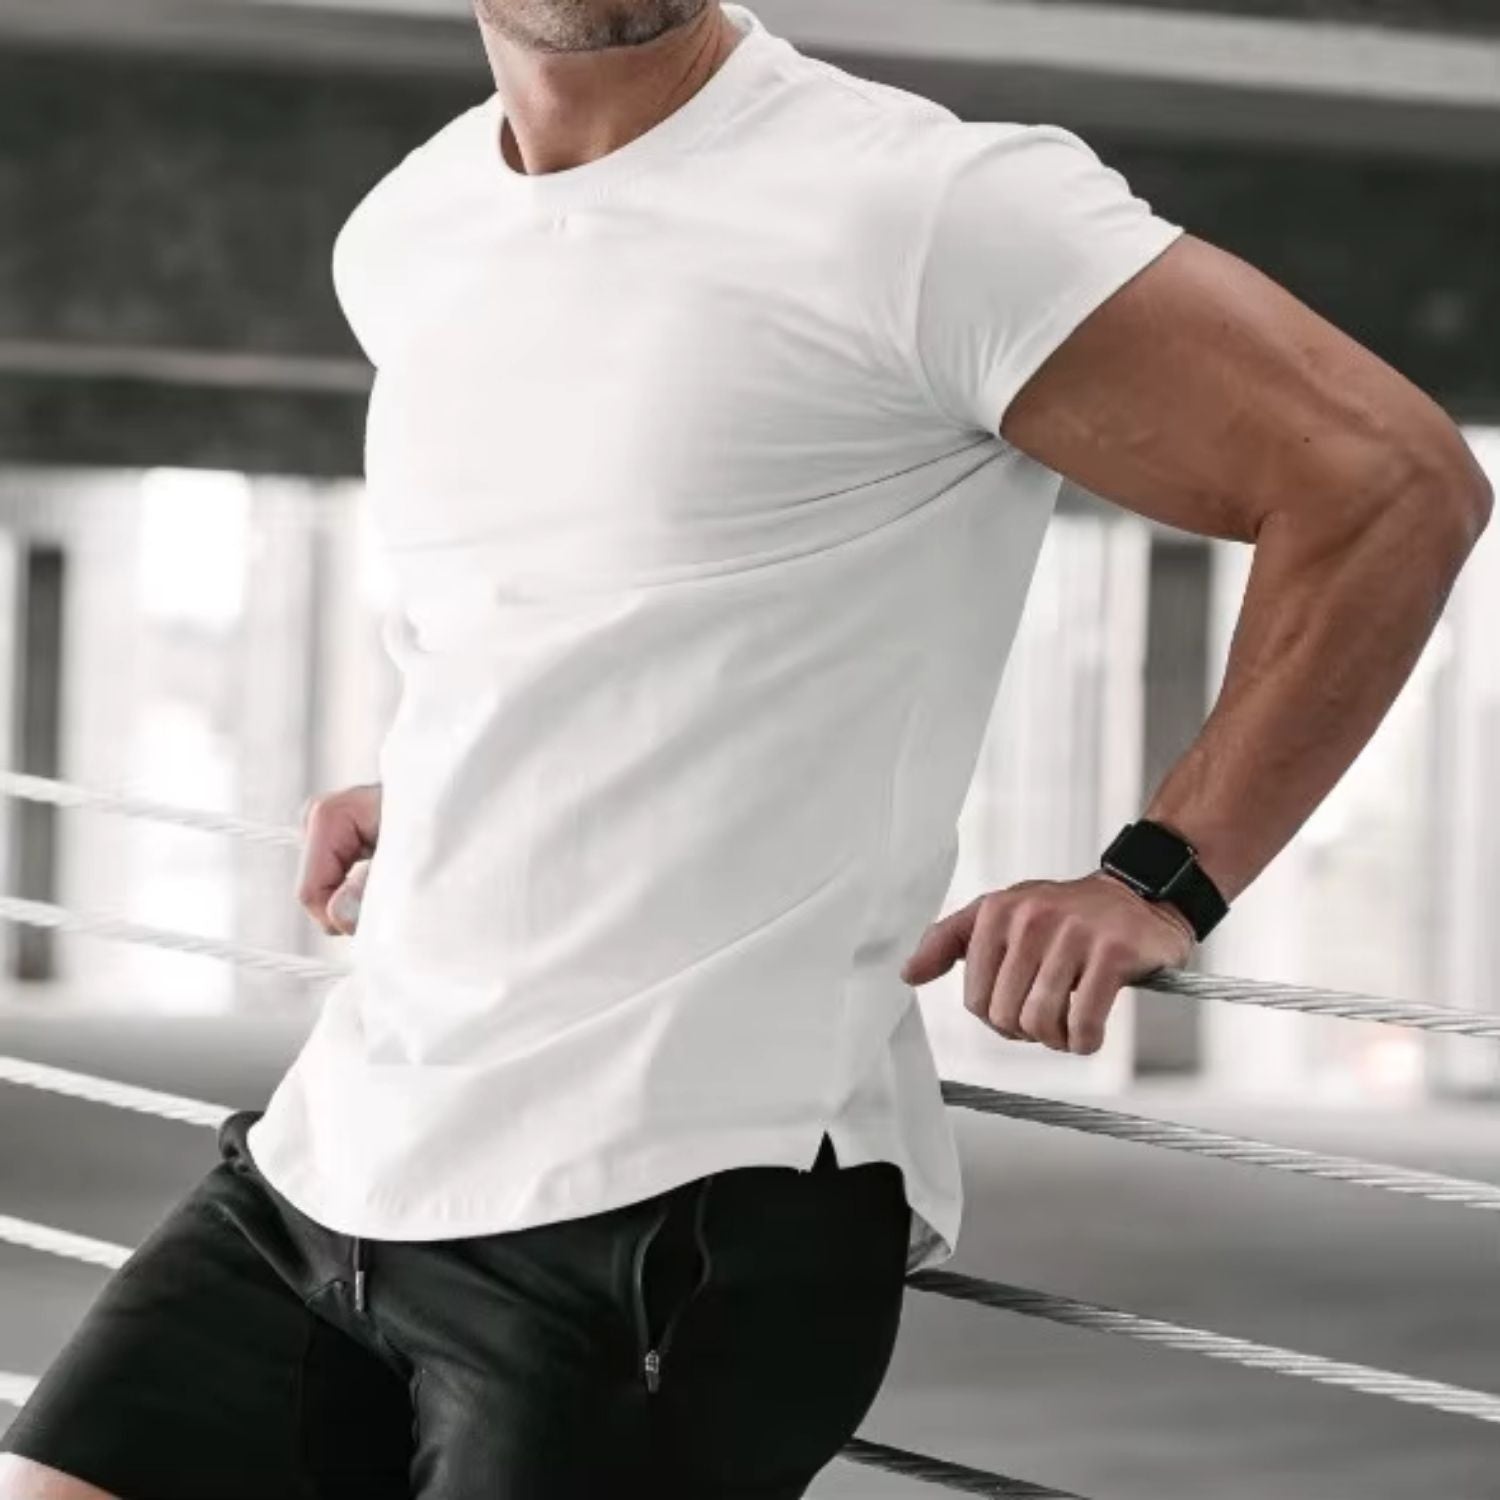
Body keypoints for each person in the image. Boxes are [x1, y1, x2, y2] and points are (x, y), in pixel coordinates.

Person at [1, 1, 1490, 1496]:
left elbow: (1389, 486)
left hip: (673, 1205)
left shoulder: (921, 206)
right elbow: (577, 597)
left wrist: (1160, 877)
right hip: (339, 1155)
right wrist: (473, 784)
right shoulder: (411, 228)